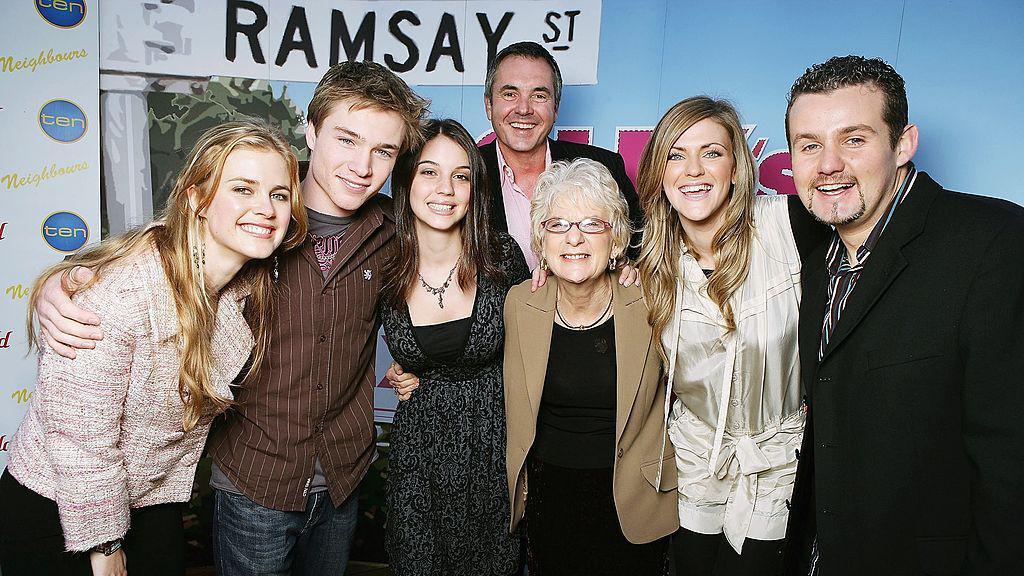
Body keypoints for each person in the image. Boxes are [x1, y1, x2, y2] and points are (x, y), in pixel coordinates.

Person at [30, 61, 429, 575]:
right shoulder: (254, 230)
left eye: (383, 151)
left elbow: (443, 296)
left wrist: (420, 366)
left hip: (342, 477)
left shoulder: (394, 236)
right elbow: (161, 252)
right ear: (311, 131)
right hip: (254, 478)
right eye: (347, 140)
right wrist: (59, 284)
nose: (362, 165)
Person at [0, 120, 306, 576]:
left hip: (149, 498)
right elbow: (80, 437)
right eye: (243, 188)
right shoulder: (122, 293)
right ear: (197, 199)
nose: (265, 208)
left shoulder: (240, 285)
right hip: (60, 503)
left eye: (279, 195)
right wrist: (104, 547)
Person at [781, 55, 1024, 575]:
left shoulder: (995, 243)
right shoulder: (812, 251)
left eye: (853, 139)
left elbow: (1012, 463)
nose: (828, 165)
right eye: (809, 145)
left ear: (904, 143)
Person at [634, 97, 828, 576]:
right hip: (695, 460)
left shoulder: (789, 226)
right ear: (660, 172)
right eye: (676, 155)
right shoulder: (648, 263)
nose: (693, 170)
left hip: (778, 460)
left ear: (738, 167)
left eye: (711, 153)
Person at [503, 158, 678, 576]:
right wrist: (411, 370)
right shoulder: (519, 304)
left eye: (591, 224)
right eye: (558, 224)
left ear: (616, 238)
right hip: (549, 500)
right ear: (541, 241)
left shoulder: (654, 301)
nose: (574, 239)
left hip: (634, 504)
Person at [380, 119, 529, 575]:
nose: (445, 188)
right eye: (429, 172)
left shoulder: (502, 259)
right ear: (404, 182)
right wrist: (398, 371)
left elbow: (542, 352)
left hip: (494, 455)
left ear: (475, 188)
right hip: (418, 458)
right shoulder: (384, 267)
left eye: (461, 175)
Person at [479, 41, 643, 269]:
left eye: (539, 96)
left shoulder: (604, 167)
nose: (523, 109)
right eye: (510, 94)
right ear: (489, 105)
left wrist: (627, 267)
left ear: (555, 108)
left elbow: (640, 252)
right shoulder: (466, 172)